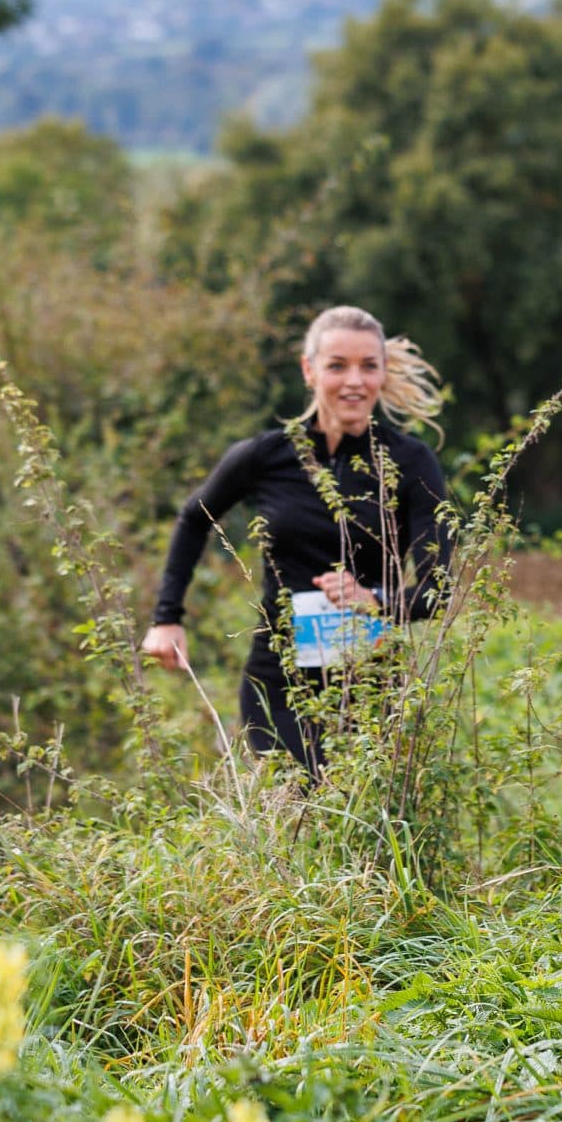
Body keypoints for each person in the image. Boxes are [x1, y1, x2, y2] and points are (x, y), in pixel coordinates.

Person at [142, 306, 454, 774]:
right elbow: (193, 517)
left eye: (369, 366)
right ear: (309, 371)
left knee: (362, 825)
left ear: (383, 373)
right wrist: (167, 617)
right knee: (297, 809)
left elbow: (438, 590)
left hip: (370, 683)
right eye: (337, 365)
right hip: (278, 681)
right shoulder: (265, 456)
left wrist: (374, 599)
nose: (354, 381)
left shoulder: (411, 462)